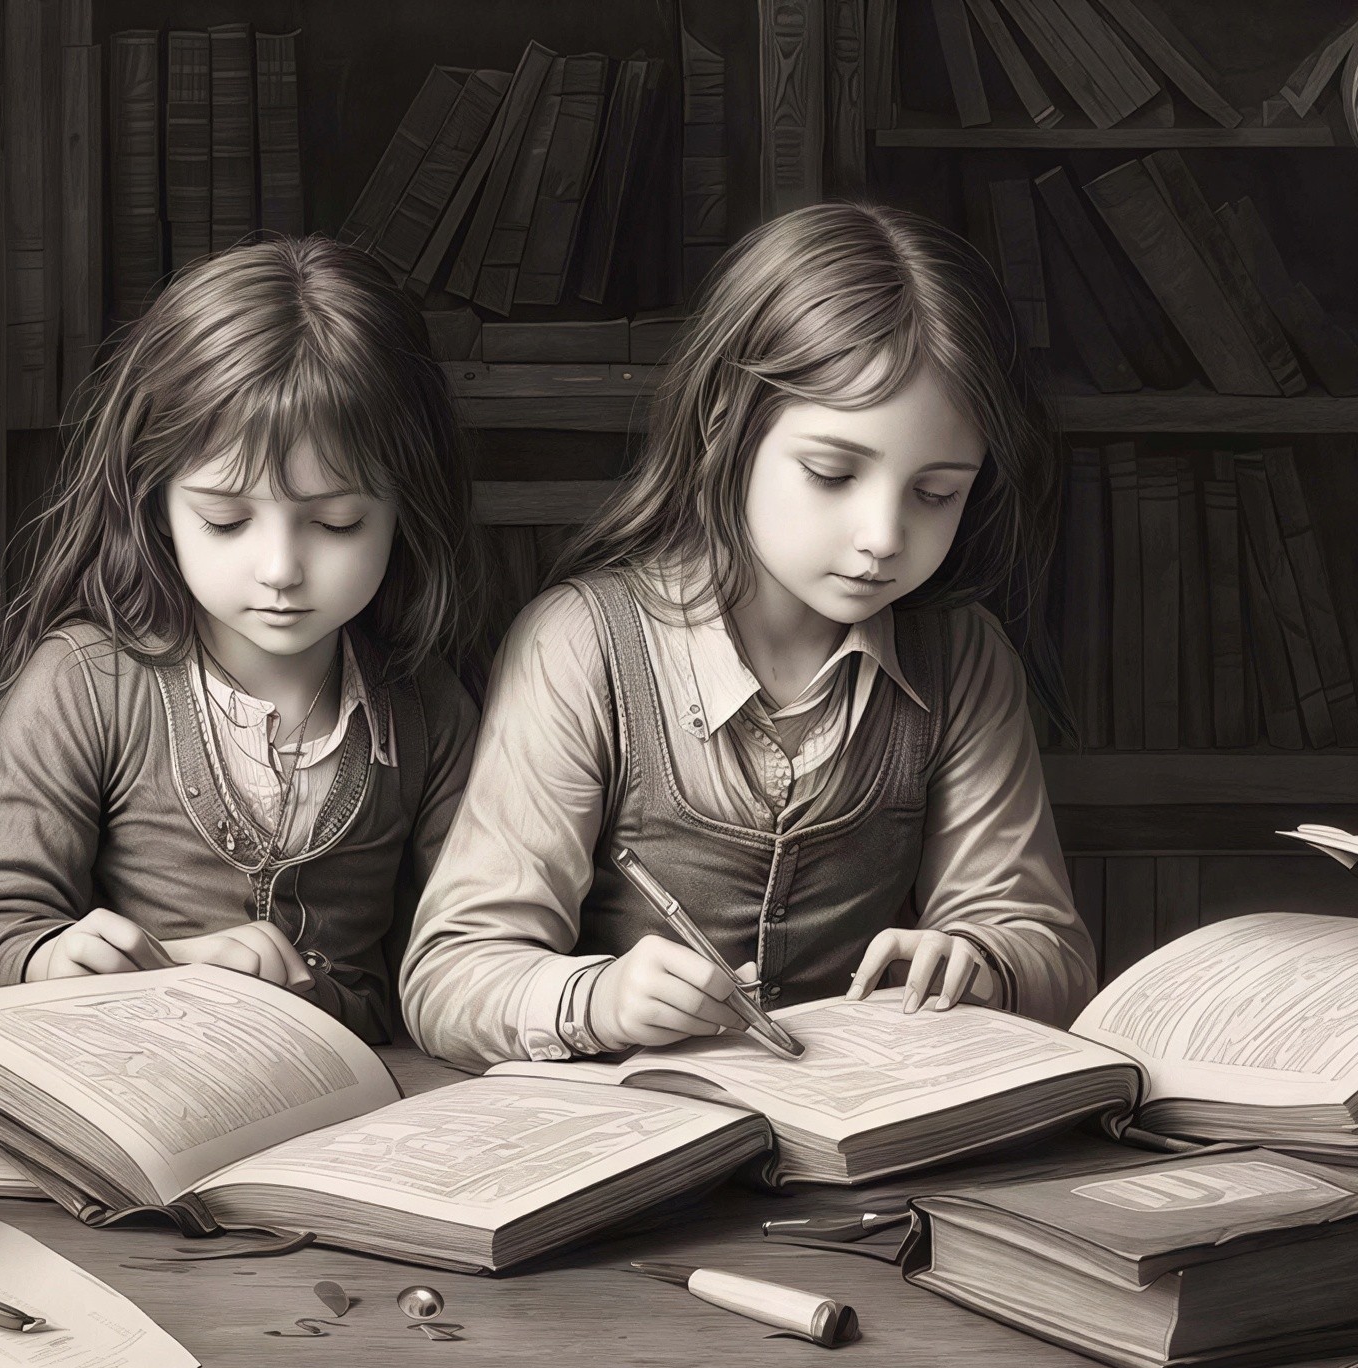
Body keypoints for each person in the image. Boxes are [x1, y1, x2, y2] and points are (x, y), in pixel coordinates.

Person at [402, 202, 1099, 1072]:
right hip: (638, 1122)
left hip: (859, 1117)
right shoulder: (582, 645)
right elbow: (451, 976)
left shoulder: (963, 660)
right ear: (722, 426)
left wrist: (984, 960)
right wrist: (597, 1000)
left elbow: (1051, 952)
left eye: (937, 493)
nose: (884, 537)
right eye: (832, 473)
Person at [0, 235, 480, 1043]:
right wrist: (54, 959)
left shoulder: (431, 714)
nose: (280, 569)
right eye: (224, 520)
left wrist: (320, 1002)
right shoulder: (88, 684)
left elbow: (461, 973)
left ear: (406, 509)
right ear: (157, 505)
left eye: (336, 522)